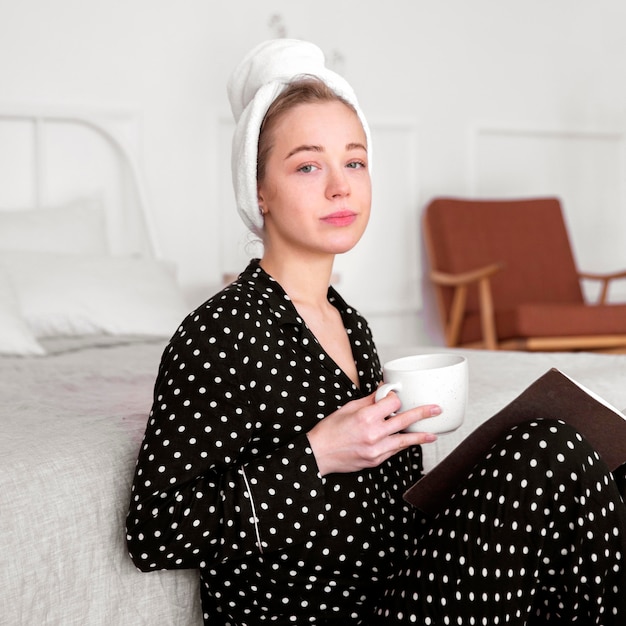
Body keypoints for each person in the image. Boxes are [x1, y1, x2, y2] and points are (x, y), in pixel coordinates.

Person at [126, 39, 626, 625]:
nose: (340, 186)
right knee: (545, 449)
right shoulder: (219, 331)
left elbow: (380, 524)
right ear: (258, 190)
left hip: (393, 596)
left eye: (354, 161)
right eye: (308, 165)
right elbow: (153, 532)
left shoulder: (352, 326)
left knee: (604, 466)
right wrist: (315, 456)